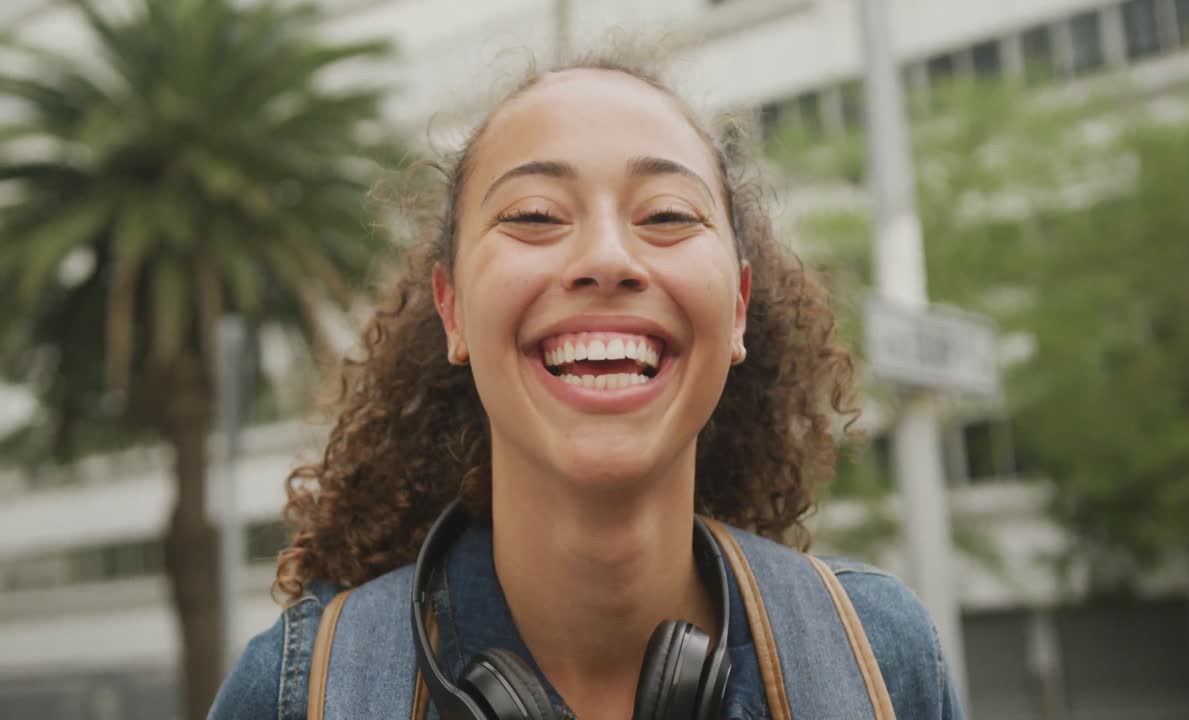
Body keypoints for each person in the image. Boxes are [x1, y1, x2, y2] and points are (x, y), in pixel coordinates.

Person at [209, 48, 964, 720]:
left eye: (667, 215)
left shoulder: (880, 666)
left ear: (736, 309)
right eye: (535, 216)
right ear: (453, 312)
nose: (607, 257)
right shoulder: (296, 692)